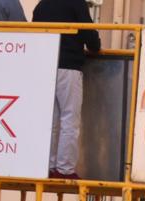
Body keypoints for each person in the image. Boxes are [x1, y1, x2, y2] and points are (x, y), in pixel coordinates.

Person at [33, 0, 101, 180]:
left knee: (52, 120)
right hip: (69, 67)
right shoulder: (76, 3)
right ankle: (64, 169)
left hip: (45, 65)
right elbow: (91, 39)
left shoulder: (42, 5)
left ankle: (47, 166)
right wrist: (95, 46)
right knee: (70, 119)